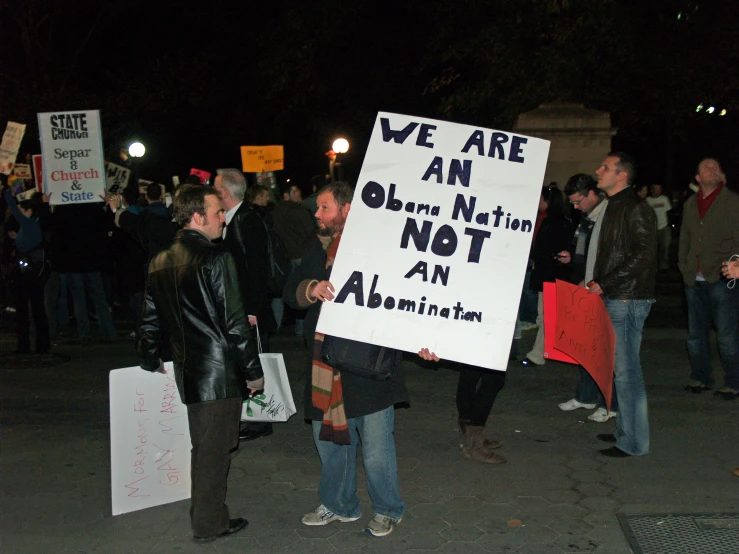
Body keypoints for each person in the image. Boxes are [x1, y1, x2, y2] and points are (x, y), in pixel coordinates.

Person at [137, 185, 263, 542]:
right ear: (197, 216)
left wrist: (148, 358)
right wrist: (253, 373)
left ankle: (207, 515)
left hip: (189, 370)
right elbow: (235, 323)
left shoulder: (159, 260)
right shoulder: (215, 257)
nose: (223, 218)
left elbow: (148, 319)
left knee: (208, 445)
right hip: (218, 373)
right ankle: (209, 523)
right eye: (217, 212)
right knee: (212, 451)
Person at [284, 181, 408, 537]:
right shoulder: (318, 246)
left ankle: (387, 509)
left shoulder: (381, 246)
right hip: (325, 363)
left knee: (376, 448)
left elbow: (409, 300)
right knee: (330, 441)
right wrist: (311, 288)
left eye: (324, 208)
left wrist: (422, 341)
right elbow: (289, 290)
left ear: (348, 208)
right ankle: (340, 505)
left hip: (370, 364)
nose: (317, 215)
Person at [590, 152, 657, 458]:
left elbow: (645, 253)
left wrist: (608, 281)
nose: (598, 170)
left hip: (627, 298)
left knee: (627, 372)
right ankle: (625, 432)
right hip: (617, 295)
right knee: (621, 370)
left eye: (606, 167)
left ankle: (633, 443)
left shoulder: (635, 208)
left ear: (622, 176)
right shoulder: (616, 205)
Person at [214, 169, 276, 442]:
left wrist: (252, 310)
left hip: (251, 311)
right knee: (244, 363)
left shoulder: (247, 220)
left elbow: (258, 269)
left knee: (256, 362)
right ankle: (249, 416)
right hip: (240, 309)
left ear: (225, 193)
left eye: (214, 190)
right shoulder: (230, 220)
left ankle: (261, 421)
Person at [554, 174, 617, 422]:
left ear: (592, 194)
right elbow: (587, 253)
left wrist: (592, 281)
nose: (575, 207)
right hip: (587, 287)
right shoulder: (588, 217)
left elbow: (610, 258)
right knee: (585, 346)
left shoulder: (609, 215)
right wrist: (572, 259)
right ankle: (586, 396)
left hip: (605, 290)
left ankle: (610, 404)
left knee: (606, 351)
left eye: (579, 201)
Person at [678, 158, 739, 400]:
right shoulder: (691, 204)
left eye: (716, 167)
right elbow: (685, 237)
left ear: (722, 175)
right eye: (706, 167)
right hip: (694, 277)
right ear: (697, 178)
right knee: (695, 335)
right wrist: (683, 266)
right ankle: (701, 377)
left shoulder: (733, 202)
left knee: (726, 335)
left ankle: (734, 381)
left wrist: (734, 263)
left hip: (722, 276)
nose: (712, 170)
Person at [520, 184, 573, 366]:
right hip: (547, 272)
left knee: (546, 315)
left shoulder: (553, 221)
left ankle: (539, 354)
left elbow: (548, 248)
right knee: (545, 315)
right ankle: (543, 351)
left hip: (550, 273)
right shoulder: (548, 218)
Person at [3, 188, 50, 354]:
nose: (20, 213)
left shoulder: (28, 223)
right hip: (34, 273)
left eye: (23, 210)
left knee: (23, 312)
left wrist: (7, 192)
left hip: (25, 274)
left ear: (29, 211)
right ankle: (42, 345)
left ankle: (24, 345)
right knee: (37, 309)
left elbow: (13, 209)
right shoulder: (34, 224)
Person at [271, 182, 316, 337]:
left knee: (282, 293)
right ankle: (300, 329)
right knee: (303, 290)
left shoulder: (274, 212)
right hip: (300, 256)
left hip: (283, 259)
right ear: (286, 195)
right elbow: (310, 232)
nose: (298, 194)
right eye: (294, 191)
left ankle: (275, 327)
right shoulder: (299, 211)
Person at [645, 184, 672, 271]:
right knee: (654, 249)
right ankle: (654, 267)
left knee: (665, 247)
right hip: (653, 228)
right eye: (655, 189)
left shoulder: (664, 199)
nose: (657, 191)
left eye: (659, 189)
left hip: (664, 227)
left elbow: (669, 212)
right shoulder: (648, 200)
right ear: (652, 190)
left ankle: (664, 266)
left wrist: (670, 225)